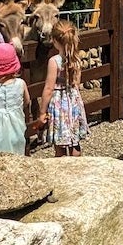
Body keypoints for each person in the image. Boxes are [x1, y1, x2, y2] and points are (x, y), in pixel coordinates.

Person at [37, 19, 89, 156]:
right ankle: (76, 165)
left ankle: (62, 168)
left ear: (54, 41)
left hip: (59, 104)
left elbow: (49, 88)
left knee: (60, 143)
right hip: (73, 100)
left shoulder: (54, 61)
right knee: (75, 140)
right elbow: (76, 84)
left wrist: (42, 112)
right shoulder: (76, 60)